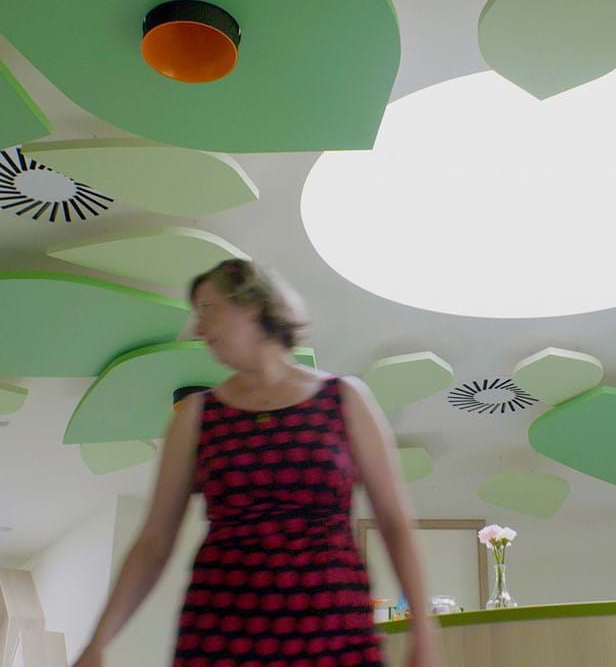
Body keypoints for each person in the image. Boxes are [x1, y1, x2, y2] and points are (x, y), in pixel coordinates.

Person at [74, 258, 438, 666]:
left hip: (333, 628)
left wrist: (423, 631)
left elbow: (394, 523)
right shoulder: (197, 415)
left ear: (251, 305)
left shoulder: (345, 399)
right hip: (223, 628)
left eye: (208, 309)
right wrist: (98, 642)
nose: (198, 328)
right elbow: (154, 543)